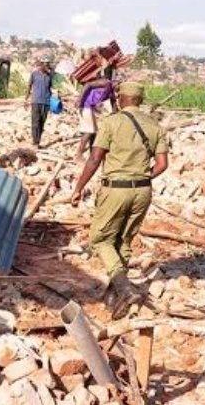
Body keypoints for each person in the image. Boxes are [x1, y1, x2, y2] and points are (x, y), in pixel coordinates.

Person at [71, 82, 169, 319]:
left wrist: (78, 187)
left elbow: (95, 159)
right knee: (124, 239)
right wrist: (143, 177)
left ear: (122, 98)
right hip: (143, 190)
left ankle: (124, 289)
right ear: (140, 100)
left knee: (100, 239)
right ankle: (114, 297)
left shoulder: (111, 122)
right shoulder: (154, 126)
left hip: (116, 189)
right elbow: (162, 165)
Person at [75, 68, 117, 160]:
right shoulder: (106, 83)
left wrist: (116, 115)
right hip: (85, 106)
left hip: (91, 108)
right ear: (115, 82)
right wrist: (79, 100)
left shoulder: (111, 90)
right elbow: (88, 84)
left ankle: (91, 154)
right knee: (89, 131)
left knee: (94, 131)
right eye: (118, 85)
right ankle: (79, 154)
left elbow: (113, 102)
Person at [24, 57, 54, 148]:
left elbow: (53, 87)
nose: (46, 66)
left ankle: (38, 140)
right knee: (35, 121)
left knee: (42, 122)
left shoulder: (49, 76)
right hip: (36, 101)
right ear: (41, 65)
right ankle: (35, 142)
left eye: (47, 64)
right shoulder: (34, 74)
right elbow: (29, 86)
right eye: (44, 64)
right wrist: (26, 99)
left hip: (46, 102)